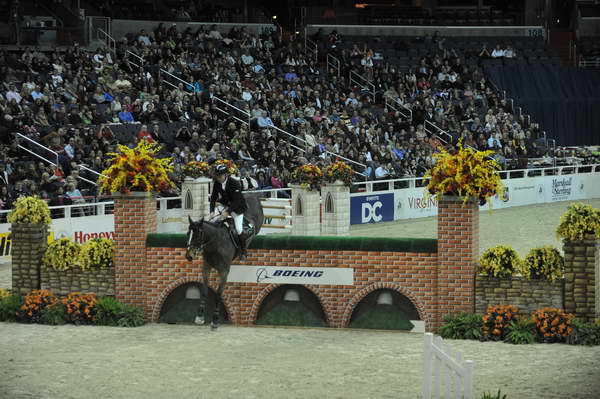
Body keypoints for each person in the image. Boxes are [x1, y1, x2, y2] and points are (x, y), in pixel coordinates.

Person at [209, 164, 249, 260]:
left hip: (237, 207)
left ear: (225, 174)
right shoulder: (217, 183)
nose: (218, 178)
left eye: (220, 176)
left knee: (239, 229)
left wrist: (227, 212)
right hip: (225, 204)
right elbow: (213, 197)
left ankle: (243, 251)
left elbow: (237, 200)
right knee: (211, 222)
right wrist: (211, 211)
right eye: (217, 176)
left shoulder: (234, 183)